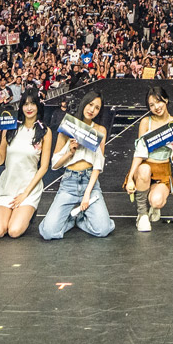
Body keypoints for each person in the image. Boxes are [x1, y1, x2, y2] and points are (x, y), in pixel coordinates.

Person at [38, 89, 113, 241]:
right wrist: (70, 152)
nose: (92, 110)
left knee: (104, 229)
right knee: (48, 233)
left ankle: (80, 220)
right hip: (69, 183)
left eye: (97, 107)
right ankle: (70, 221)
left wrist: (87, 194)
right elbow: (55, 165)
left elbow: (98, 164)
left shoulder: (100, 131)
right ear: (84, 103)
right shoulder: (68, 127)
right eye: (90, 104)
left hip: (90, 184)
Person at [0, 90, 47, 239]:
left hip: (28, 190)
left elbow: (44, 167)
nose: (29, 108)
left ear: (38, 106)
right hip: (8, 187)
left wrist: (25, 194)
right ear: (21, 107)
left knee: (14, 231)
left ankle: (29, 211)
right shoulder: (10, 128)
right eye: (26, 104)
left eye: (33, 103)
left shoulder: (45, 132)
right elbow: (0, 160)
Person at [126, 86, 173, 232]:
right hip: (144, 169)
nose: (156, 107)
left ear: (165, 100)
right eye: (151, 105)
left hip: (163, 170)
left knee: (157, 201)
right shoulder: (146, 123)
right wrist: (130, 177)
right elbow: (139, 152)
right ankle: (142, 215)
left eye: (158, 102)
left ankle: (154, 206)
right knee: (145, 169)